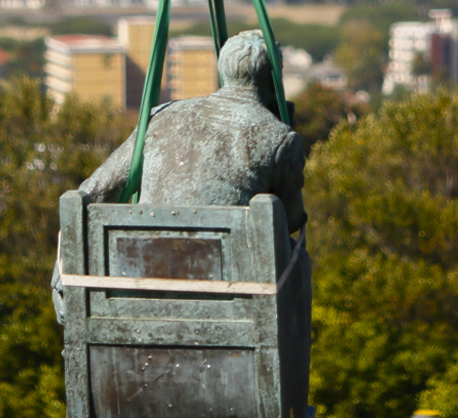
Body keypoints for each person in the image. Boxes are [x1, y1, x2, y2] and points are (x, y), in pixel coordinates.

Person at [53, 29, 306, 321]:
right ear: (274, 78)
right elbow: (292, 220)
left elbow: (94, 191)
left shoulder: (160, 116)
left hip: (136, 292)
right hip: (223, 307)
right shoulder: (279, 138)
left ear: (223, 70)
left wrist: (61, 272)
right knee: (297, 257)